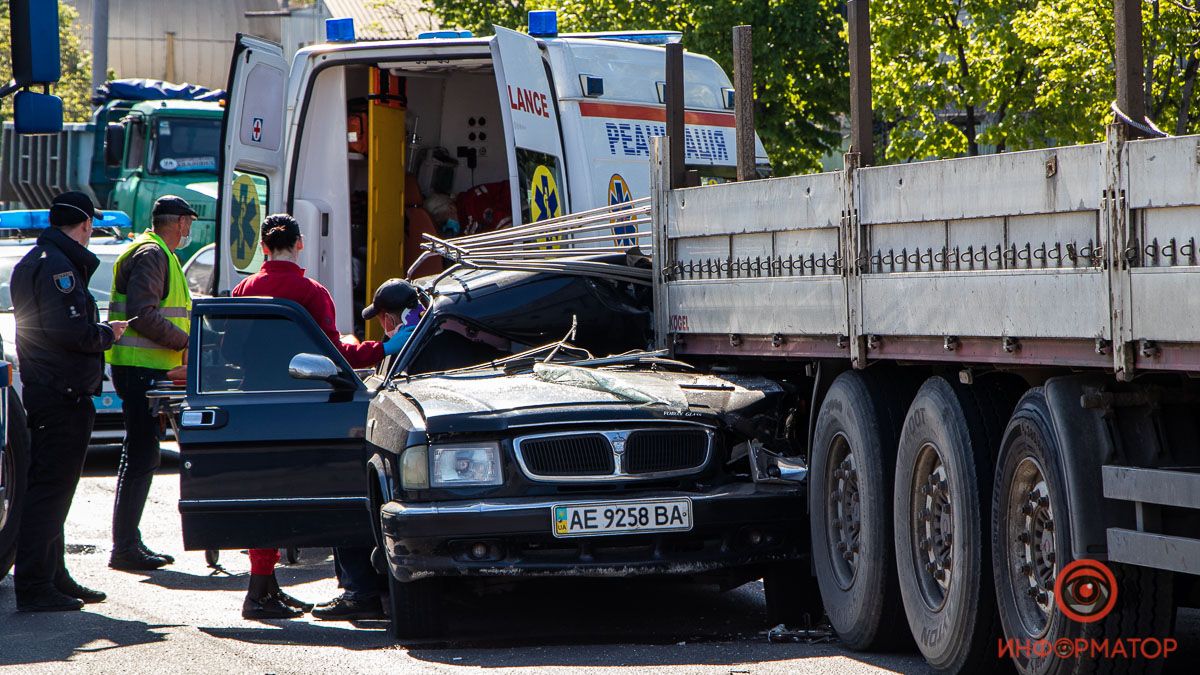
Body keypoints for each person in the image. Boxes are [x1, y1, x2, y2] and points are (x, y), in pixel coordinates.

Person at [229, 213, 415, 619]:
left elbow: (230, 352)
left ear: (262, 247)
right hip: (304, 408)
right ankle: (346, 590)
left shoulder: (243, 289)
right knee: (328, 493)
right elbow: (337, 357)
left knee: (266, 496)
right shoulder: (312, 292)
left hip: (255, 409)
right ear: (300, 245)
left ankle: (262, 588)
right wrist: (383, 348)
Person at [10, 192, 129, 611]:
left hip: (51, 390)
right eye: (91, 227)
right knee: (50, 492)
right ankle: (35, 584)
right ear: (84, 226)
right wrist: (108, 334)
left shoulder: (38, 260)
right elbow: (71, 333)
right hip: (61, 394)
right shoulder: (59, 268)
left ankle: (53, 575)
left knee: (54, 491)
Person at [311, 279, 420, 622]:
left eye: (382, 319)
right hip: (410, 457)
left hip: (395, 451)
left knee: (344, 496)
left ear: (389, 319)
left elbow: (338, 357)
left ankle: (360, 592)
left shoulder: (403, 345)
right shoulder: (426, 331)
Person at [106, 195, 196, 571]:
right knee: (142, 456)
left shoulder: (157, 253)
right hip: (142, 371)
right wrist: (186, 341)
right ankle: (125, 547)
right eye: (188, 222)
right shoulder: (152, 254)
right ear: (179, 223)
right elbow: (143, 315)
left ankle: (127, 543)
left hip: (144, 369)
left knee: (140, 455)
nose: (189, 229)